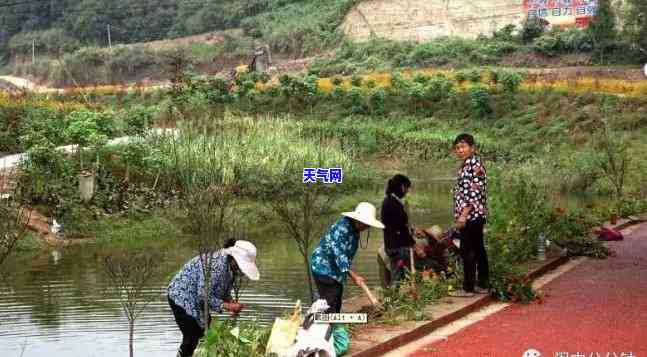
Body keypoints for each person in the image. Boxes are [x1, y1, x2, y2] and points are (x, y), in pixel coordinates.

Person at [167, 240, 260, 357]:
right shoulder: (217, 265)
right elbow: (203, 294)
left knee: (204, 329)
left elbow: (221, 289)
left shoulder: (229, 269)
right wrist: (228, 306)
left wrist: (230, 300)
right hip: (181, 295)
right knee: (193, 333)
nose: (240, 269)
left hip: (196, 299)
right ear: (234, 258)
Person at [310, 202, 384, 313]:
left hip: (336, 271)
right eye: (366, 224)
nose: (367, 227)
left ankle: (333, 325)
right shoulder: (342, 229)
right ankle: (327, 326)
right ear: (358, 220)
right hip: (323, 267)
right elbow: (340, 256)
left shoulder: (355, 229)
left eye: (369, 225)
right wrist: (355, 276)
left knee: (337, 299)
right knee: (331, 301)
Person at [449, 133, 490, 297]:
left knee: (468, 249)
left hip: (471, 216)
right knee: (478, 248)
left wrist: (463, 216)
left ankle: (468, 287)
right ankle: (482, 284)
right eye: (457, 147)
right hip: (474, 215)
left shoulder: (474, 166)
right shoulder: (466, 166)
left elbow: (473, 195)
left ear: (472, 148)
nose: (460, 150)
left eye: (463, 146)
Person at [380, 174, 419, 284]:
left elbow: (400, 226)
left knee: (397, 274)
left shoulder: (390, 201)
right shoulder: (393, 204)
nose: (407, 191)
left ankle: (394, 296)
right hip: (397, 247)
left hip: (392, 245)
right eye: (407, 188)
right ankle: (394, 297)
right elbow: (401, 230)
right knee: (398, 276)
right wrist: (414, 244)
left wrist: (411, 230)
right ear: (402, 187)